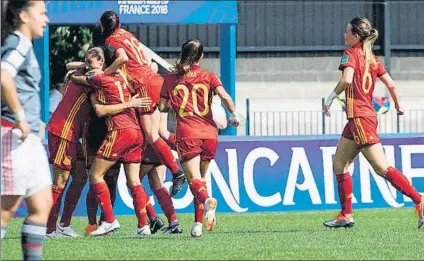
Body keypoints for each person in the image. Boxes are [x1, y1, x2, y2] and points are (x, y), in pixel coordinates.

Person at [323, 17, 424, 229]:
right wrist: (398, 106)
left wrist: (331, 97)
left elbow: (347, 80)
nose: (344, 35)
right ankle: (346, 215)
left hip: (360, 118)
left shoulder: (350, 54)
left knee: (381, 167)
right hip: (360, 118)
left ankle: (419, 200)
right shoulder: (372, 58)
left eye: (347, 31)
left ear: (356, 36)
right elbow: (392, 85)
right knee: (339, 166)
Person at [159, 39, 240, 237]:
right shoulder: (209, 76)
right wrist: (233, 115)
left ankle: (208, 202)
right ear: (201, 56)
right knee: (202, 179)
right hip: (209, 134)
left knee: (194, 180)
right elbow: (225, 97)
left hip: (188, 133)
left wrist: (176, 106)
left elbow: (161, 107)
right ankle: (197, 226)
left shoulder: (171, 78)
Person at [99, 11, 185, 197]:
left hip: (144, 84)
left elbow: (122, 58)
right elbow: (145, 59)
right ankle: (183, 152)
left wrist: (106, 73)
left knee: (151, 135)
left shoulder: (110, 40)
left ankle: (177, 172)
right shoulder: (128, 34)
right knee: (160, 131)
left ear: (103, 26)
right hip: (155, 78)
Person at [71, 47, 152, 236]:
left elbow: (75, 77)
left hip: (120, 130)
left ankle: (109, 220)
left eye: (91, 63)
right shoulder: (121, 78)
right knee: (133, 180)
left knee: (95, 176)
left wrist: (84, 74)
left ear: (102, 62)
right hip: (136, 132)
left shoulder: (98, 79)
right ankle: (143, 225)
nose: (88, 67)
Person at [1, 1, 52, 259]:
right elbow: (3, 75)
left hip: (29, 138)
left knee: (42, 204)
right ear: (23, 15)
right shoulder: (19, 42)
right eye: (42, 13)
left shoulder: (25, 45)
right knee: (6, 207)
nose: (47, 19)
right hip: (14, 134)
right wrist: (21, 117)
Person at [139, 112, 182, 234]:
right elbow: (164, 132)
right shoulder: (162, 101)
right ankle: (174, 223)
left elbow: (160, 130)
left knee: (134, 182)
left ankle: (152, 218)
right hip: (162, 148)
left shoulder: (147, 101)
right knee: (157, 185)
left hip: (148, 146)